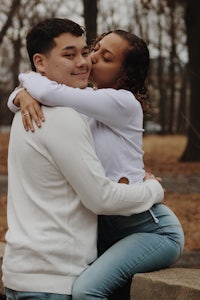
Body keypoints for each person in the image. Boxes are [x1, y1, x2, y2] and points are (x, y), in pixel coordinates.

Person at [6, 20, 184, 300]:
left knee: (87, 290)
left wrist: (25, 85)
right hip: (108, 220)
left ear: (124, 72)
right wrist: (21, 95)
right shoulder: (84, 101)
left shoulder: (122, 102)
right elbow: (53, 93)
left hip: (148, 227)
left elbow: (51, 92)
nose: (90, 60)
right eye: (95, 50)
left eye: (105, 58)